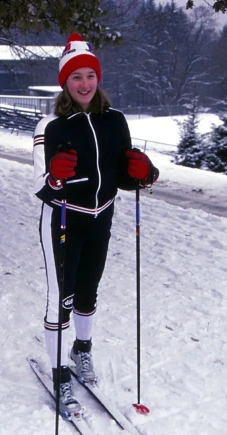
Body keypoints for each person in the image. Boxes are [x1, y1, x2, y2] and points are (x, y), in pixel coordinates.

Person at [32, 34, 159, 413]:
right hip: (62, 218)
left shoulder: (115, 121)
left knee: (88, 290)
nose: (84, 83)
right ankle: (58, 373)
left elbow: (123, 173)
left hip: (101, 216)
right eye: (76, 77)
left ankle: (81, 349)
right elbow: (39, 183)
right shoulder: (51, 126)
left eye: (90, 75)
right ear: (65, 83)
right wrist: (56, 176)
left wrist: (144, 174)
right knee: (62, 296)